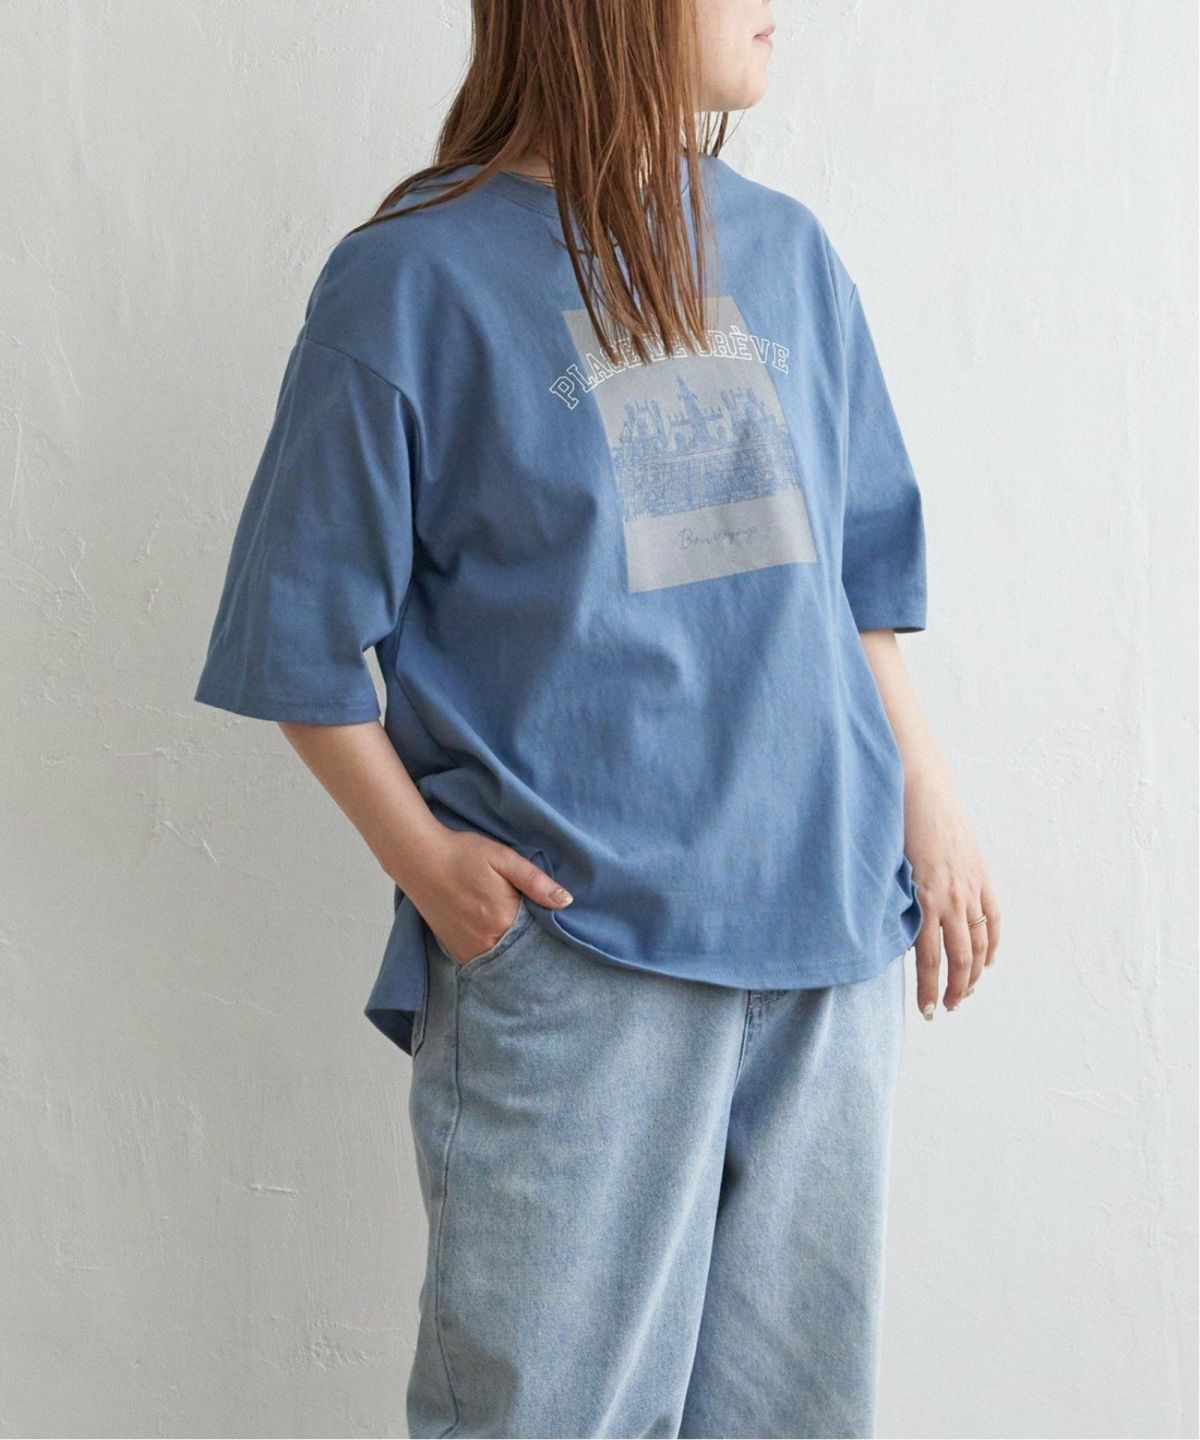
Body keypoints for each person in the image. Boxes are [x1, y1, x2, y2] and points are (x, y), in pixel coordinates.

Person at [194, 0, 1002, 1434]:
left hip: (827, 933)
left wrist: (926, 797)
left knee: (798, 1418)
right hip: (580, 955)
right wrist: (432, 871)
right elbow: (298, 636)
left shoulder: (789, 255)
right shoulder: (412, 282)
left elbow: (855, 578)